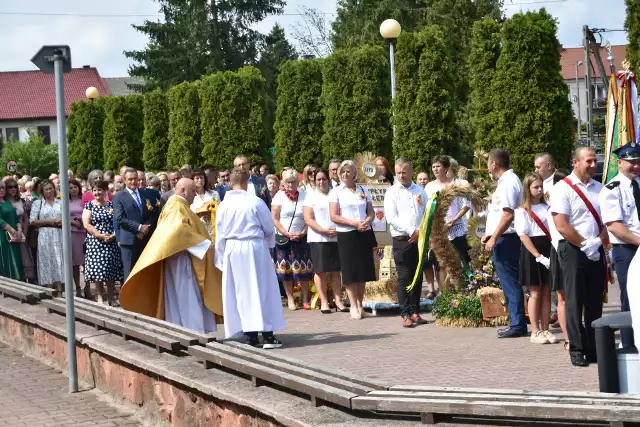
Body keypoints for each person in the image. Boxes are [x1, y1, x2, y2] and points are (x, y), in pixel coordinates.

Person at [120, 178, 223, 333]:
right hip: (182, 259)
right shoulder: (176, 207)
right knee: (186, 296)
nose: (195, 195)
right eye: (192, 191)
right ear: (182, 190)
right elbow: (179, 231)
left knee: (177, 297)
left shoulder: (175, 205)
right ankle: (194, 330)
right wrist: (205, 245)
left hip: (179, 256)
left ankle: (183, 329)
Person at [215, 167, 285, 348]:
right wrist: (269, 246)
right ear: (247, 182)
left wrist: (222, 256)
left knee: (241, 291)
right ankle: (268, 335)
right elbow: (269, 228)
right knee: (262, 288)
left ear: (230, 182)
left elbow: (220, 233)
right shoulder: (255, 202)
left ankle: (250, 335)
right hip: (253, 246)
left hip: (232, 247)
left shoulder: (223, 205)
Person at [551, 147, 606, 367]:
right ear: (575, 162)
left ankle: (594, 347)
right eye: (588, 161)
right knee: (574, 300)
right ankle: (576, 347)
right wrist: (585, 244)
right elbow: (562, 224)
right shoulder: (562, 189)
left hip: (595, 247)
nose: (593, 165)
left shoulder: (601, 189)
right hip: (573, 249)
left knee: (595, 300)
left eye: (594, 161)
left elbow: (607, 222)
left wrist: (598, 242)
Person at [598, 142, 640, 350]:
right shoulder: (612, 189)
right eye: (631, 162)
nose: (636, 166)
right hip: (628, 250)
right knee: (630, 295)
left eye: (638, 161)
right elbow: (614, 226)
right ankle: (628, 342)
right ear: (619, 162)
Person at [483, 148, 526, 338]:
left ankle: (518, 324)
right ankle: (515, 321)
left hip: (506, 238)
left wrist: (493, 237)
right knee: (509, 282)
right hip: (502, 237)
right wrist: (489, 234)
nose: (487, 169)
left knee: (510, 282)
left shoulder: (508, 182)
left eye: (488, 164)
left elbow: (508, 215)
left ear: (494, 164)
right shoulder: (506, 182)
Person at [329, 160, 376, 320]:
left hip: (364, 232)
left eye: (348, 171)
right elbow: (334, 216)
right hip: (347, 234)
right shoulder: (336, 192)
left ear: (354, 173)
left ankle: (361, 304)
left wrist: (366, 221)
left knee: (363, 271)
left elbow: (371, 212)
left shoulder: (363, 189)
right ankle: (353, 305)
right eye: (342, 172)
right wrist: (354, 223)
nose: (345, 174)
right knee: (350, 271)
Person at [384, 158, 428, 328]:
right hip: (402, 239)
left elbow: (426, 213)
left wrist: (421, 231)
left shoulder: (420, 191)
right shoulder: (392, 192)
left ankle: (415, 311)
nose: (401, 175)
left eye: (404, 171)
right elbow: (392, 218)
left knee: (417, 276)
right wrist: (412, 231)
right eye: (398, 172)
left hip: (420, 239)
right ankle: (405, 313)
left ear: (411, 171)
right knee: (404, 277)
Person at [515, 172, 557, 344]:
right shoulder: (522, 211)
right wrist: (538, 256)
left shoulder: (548, 207)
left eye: (541, 186)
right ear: (528, 189)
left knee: (547, 292)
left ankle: (546, 329)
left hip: (548, 248)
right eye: (535, 187)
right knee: (535, 293)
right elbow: (523, 235)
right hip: (532, 252)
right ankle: (535, 331)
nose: (539, 190)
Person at [303, 168, 346, 313]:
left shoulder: (335, 194)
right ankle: (324, 302)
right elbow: (308, 218)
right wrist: (322, 230)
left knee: (335, 271)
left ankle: (338, 301)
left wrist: (337, 229)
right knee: (320, 271)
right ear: (314, 182)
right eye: (318, 180)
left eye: (324, 179)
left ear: (328, 180)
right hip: (318, 238)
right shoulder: (310, 196)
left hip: (336, 238)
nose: (321, 182)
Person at [272, 169, 312, 310]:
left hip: (301, 237)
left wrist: (303, 232)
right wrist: (286, 233)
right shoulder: (279, 196)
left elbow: (310, 217)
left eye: (293, 182)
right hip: (284, 238)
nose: (290, 185)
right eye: (288, 182)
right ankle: (290, 299)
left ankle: (305, 298)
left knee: (304, 269)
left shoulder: (305, 195)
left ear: (298, 182)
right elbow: (275, 219)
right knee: (286, 270)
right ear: (283, 183)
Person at [113, 168, 162, 280]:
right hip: (129, 241)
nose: (133, 181)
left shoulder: (147, 194)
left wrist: (146, 229)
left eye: (136, 179)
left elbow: (154, 213)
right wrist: (138, 228)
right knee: (130, 274)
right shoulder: (119, 197)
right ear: (124, 181)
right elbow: (120, 218)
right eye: (130, 179)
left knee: (146, 274)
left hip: (146, 240)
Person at [82, 180, 122, 305]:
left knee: (110, 271)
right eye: (94, 190)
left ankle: (110, 298)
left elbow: (118, 221)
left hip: (111, 241)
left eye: (99, 190)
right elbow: (86, 224)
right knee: (98, 272)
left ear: (105, 191)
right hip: (96, 242)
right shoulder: (89, 206)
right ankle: (100, 297)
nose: (97, 192)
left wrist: (114, 235)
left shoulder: (111, 205)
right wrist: (99, 235)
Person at [548, 168, 570, 349]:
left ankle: (578, 331)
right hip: (560, 251)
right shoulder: (553, 207)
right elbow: (557, 233)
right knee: (563, 297)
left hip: (575, 250)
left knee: (578, 297)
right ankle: (569, 336)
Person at [29, 180, 63, 290]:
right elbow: (32, 221)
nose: (49, 191)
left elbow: (66, 218)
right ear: (42, 191)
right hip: (45, 235)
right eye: (46, 189)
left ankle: (60, 289)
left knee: (60, 260)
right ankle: (49, 289)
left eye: (50, 188)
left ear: (54, 189)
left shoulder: (60, 203)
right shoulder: (38, 203)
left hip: (59, 234)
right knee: (46, 260)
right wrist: (49, 221)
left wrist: (62, 222)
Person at [5, 178, 35, 282]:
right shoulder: (4, 202)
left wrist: (24, 233)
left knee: (25, 259)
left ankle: (27, 282)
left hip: (22, 232)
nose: (13, 189)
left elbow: (26, 219)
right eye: (10, 187)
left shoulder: (19, 200)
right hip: (9, 233)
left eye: (15, 186)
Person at [0, 180, 24, 280]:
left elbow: (16, 218)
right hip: (2, 236)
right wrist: (12, 230)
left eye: (3, 187)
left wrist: (19, 230)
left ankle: (18, 282)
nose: (1, 190)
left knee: (16, 259)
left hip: (14, 236)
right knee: (5, 259)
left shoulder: (8, 202)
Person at [69, 179, 86, 297]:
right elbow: (62, 215)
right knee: (75, 263)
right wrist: (73, 222)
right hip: (73, 232)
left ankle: (88, 287)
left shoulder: (83, 200)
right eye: (70, 187)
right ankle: (78, 288)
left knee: (86, 262)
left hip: (84, 232)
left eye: (75, 187)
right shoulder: (64, 201)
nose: (73, 189)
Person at [191, 168, 220, 238]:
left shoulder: (214, 194)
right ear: (192, 180)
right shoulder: (190, 196)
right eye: (197, 178)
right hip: (198, 231)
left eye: (201, 178)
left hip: (213, 229)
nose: (200, 180)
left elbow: (220, 210)